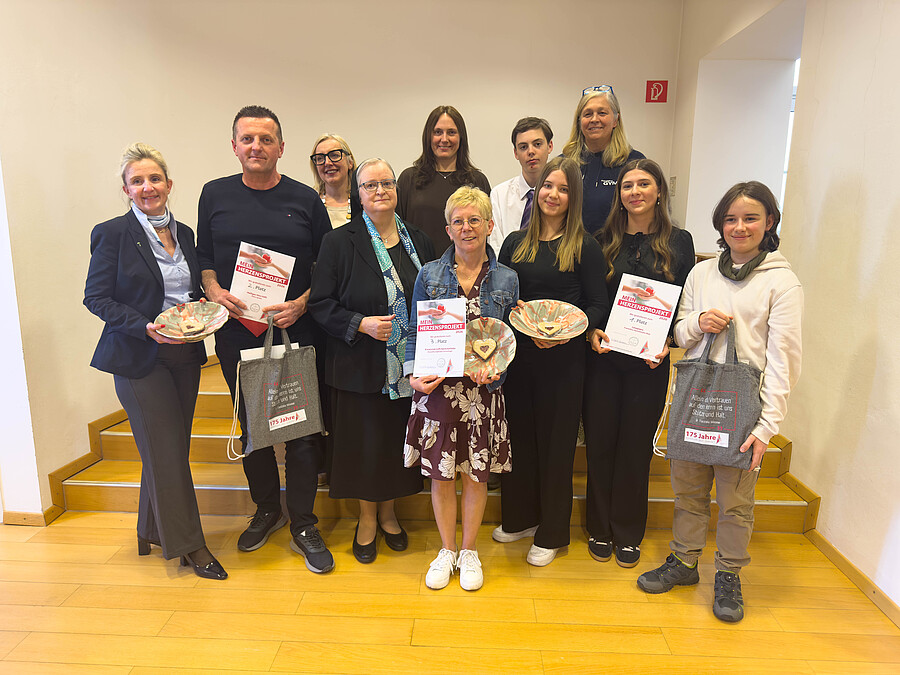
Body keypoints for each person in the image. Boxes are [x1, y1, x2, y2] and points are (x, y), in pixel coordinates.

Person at [637, 181, 803, 623]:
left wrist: (766, 428)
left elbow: (784, 361)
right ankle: (684, 561)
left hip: (743, 410)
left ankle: (728, 574)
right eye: (731, 219)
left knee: (735, 503)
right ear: (720, 225)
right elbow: (679, 332)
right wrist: (698, 322)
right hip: (695, 398)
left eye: (750, 218)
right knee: (688, 491)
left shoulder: (782, 283)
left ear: (770, 222)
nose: (739, 227)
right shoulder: (702, 273)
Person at [196, 105, 334, 573]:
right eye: (248, 139)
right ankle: (266, 509)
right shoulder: (214, 194)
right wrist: (213, 289)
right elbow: (204, 257)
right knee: (253, 427)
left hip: (295, 329)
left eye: (266, 139)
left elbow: (326, 266)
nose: (257, 146)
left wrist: (303, 303)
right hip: (237, 332)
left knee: (300, 428)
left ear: (281, 147)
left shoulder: (305, 199)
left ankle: (304, 523)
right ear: (234, 146)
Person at [84, 143, 226, 580]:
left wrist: (205, 312)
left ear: (168, 184)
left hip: (184, 353)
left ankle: (150, 528)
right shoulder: (112, 233)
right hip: (138, 357)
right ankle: (190, 546)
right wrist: (144, 325)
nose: (148, 187)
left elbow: (188, 291)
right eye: (137, 181)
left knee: (170, 449)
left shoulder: (185, 233)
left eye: (155, 179)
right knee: (166, 451)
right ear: (126, 190)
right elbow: (96, 298)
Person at [308, 158, 435, 564]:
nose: (380, 191)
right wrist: (359, 324)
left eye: (386, 183)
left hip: (409, 368)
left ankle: (390, 514)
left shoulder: (419, 240)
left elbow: (435, 295)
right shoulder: (338, 242)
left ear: (396, 189)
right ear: (357, 194)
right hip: (359, 364)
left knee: (396, 443)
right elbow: (320, 303)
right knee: (364, 447)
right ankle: (366, 519)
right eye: (370, 185)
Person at [403, 186, 519, 590]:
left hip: (483, 394)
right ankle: (446, 550)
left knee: (476, 475)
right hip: (438, 390)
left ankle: (469, 551)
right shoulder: (429, 274)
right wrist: (413, 374)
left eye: (474, 220)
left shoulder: (507, 278)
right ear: (448, 229)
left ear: (489, 225)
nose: (466, 228)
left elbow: (507, 341)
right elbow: (414, 331)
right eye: (458, 221)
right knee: (441, 474)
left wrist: (497, 374)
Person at [496, 157, 609, 567]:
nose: (553, 195)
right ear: (537, 190)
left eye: (563, 189)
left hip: (564, 362)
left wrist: (570, 331)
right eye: (548, 186)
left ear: (573, 197)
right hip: (520, 359)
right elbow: (501, 295)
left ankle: (553, 532)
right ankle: (521, 518)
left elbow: (598, 304)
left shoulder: (585, 246)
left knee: (556, 446)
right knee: (520, 441)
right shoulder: (514, 243)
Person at [584, 158, 695, 568]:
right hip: (604, 357)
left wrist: (668, 341)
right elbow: (593, 298)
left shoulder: (680, 242)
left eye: (643, 184)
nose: (635, 192)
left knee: (635, 448)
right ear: (619, 195)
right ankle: (599, 526)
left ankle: (628, 531)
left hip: (649, 362)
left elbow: (684, 301)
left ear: (659, 191)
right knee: (600, 444)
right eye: (627, 185)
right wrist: (592, 331)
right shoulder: (600, 240)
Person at [397, 105, 491, 253]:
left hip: (466, 265)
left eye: (451, 132)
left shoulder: (477, 181)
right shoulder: (408, 179)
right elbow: (396, 229)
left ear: (461, 137)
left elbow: (486, 233)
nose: (444, 139)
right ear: (428, 137)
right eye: (438, 132)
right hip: (419, 265)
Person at [561, 86, 644, 234]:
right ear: (579, 121)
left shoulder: (634, 163)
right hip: (571, 246)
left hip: (618, 246)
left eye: (602, 113)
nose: (594, 119)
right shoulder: (564, 164)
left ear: (615, 120)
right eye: (587, 114)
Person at [488, 117, 554, 255]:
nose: (531, 151)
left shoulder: (560, 195)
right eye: (523, 147)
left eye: (537, 144)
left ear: (550, 146)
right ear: (516, 153)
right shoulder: (499, 195)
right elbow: (496, 247)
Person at [309, 133, 361, 228]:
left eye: (334, 155)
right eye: (320, 158)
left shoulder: (363, 202)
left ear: (350, 162)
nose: (327, 163)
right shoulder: (309, 203)